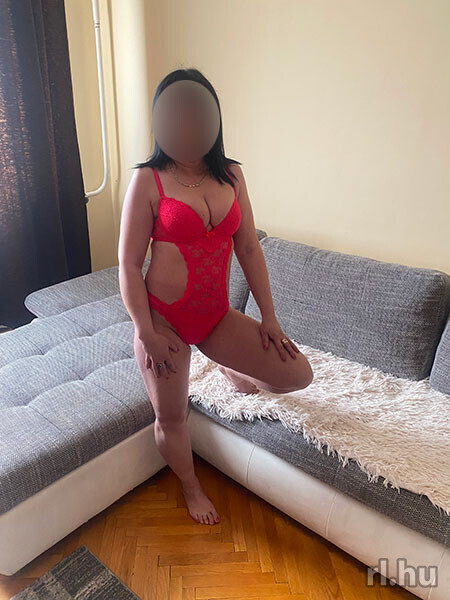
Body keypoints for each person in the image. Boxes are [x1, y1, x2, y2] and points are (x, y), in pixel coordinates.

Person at [118, 68, 314, 526]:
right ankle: (191, 488)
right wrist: (145, 333)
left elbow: (249, 248)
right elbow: (128, 265)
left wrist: (269, 318)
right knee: (171, 418)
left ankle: (227, 366)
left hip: (215, 317)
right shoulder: (148, 180)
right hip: (163, 322)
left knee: (297, 374)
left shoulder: (232, 174)